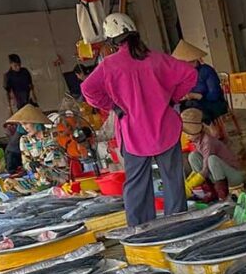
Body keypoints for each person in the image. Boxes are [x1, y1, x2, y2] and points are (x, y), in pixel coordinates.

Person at [81, 13, 196, 226]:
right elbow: (190, 74)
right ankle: (178, 226)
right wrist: (172, 98)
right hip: (166, 130)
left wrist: (114, 106)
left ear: (112, 40)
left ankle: (141, 230)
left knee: (136, 185)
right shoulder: (158, 58)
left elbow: (87, 89)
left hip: (133, 133)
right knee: (173, 182)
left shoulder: (109, 65)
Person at [180, 108, 244, 201]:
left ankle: (222, 194)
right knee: (193, 156)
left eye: (189, 133)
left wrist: (192, 183)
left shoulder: (208, 141)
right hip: (216, 176)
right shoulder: (197, 141)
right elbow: (200, 168)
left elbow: (205, 169)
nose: (186, 136)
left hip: (232, 176)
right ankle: (211, 191)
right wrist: (188, 182)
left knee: (212, 159)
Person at [7, 104, 69, 187]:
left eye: (26, 123)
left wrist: (39, 164)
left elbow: (55, 158)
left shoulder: (53, 133)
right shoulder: (25, 140)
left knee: (44, 176)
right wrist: (30, 165)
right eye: (21, 124)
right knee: (9, 183)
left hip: (59, 176)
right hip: (38, 178)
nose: (24, 127)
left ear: (36, 122)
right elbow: (25, 163)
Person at [172, 40, 229, 125]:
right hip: (192, 103)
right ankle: (192, 135)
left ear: (194, 61)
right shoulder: (183, 75)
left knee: (195, 112)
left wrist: (196, 96)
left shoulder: (206, 70)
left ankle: (209, 132)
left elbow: (214, 95)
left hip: (214, 103)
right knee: (178, 111)